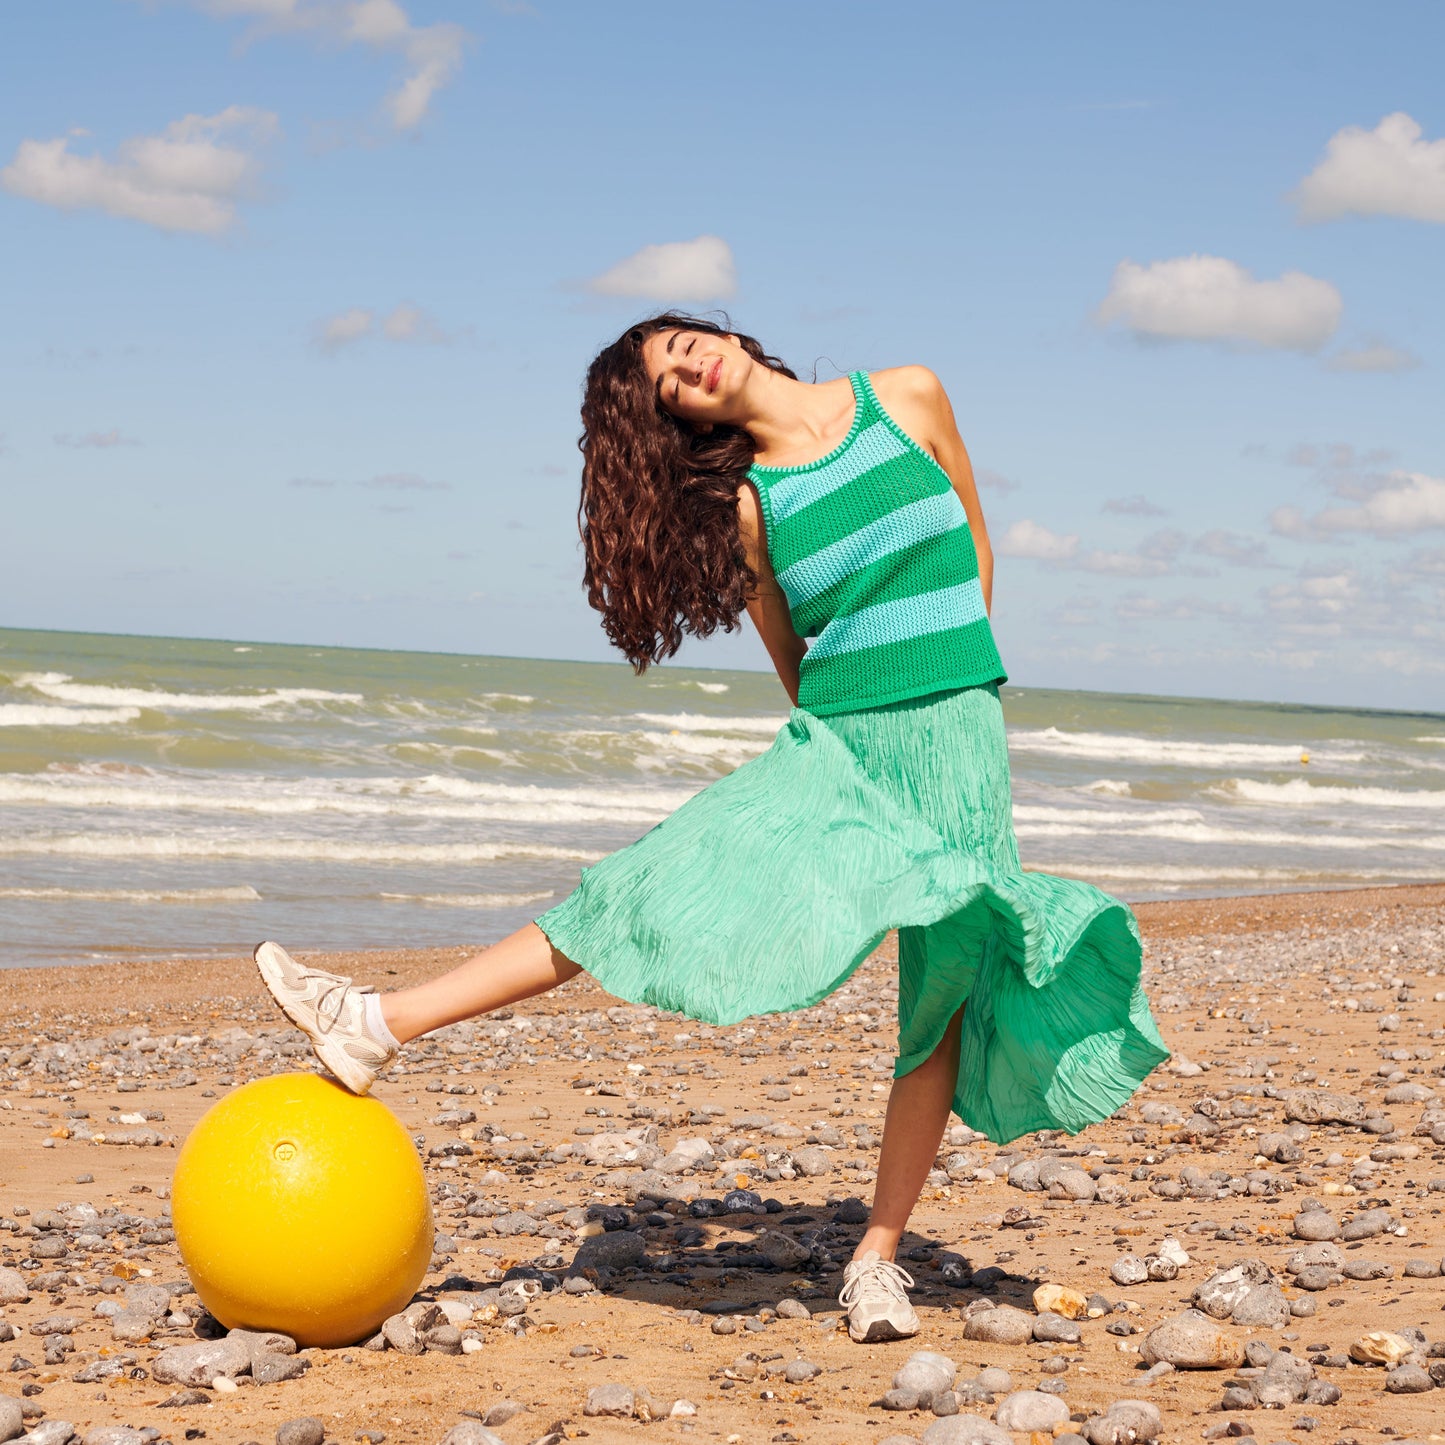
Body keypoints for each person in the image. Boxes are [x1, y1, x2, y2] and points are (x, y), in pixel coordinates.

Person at [254, 312, 1169, 1344]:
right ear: (678, 422)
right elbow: (791, 651)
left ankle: (875, 1259)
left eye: (683, 340)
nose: (688, 362)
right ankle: (375, 1024)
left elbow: (973, 538)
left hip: (959, 740)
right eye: (668, 382)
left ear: (721, 335)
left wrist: (963, 687)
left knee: (941, 996)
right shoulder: (753, 505)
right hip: (842, 749)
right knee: (654, 884)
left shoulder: (907, 394)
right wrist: (835, 752)